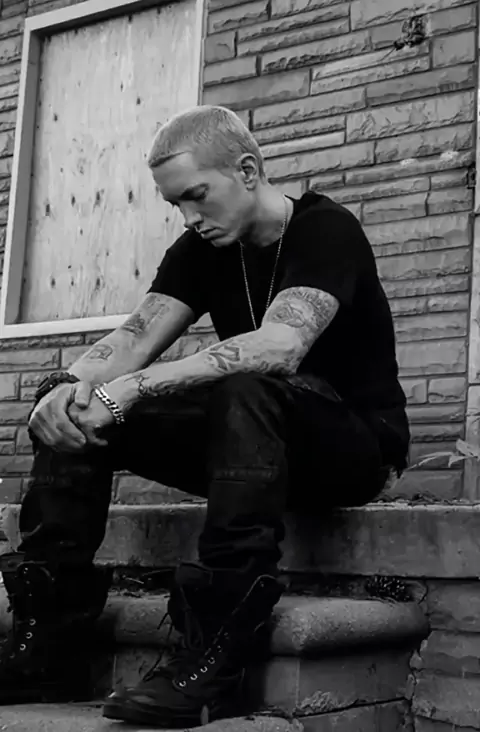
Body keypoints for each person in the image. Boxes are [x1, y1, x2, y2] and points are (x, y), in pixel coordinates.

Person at [0, 105, 409, 726]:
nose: (190, 217)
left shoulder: (325, 229)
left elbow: (280, 345)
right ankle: (47, 647)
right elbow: (133, 340)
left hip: (351, 451)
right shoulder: (202, 248)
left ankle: (213, 658)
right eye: (177, 205)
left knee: (247, 385)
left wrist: (133, 389)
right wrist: (65, 389)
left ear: (246, 170)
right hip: (253, 447)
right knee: (76, 408)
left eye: (197, 196)